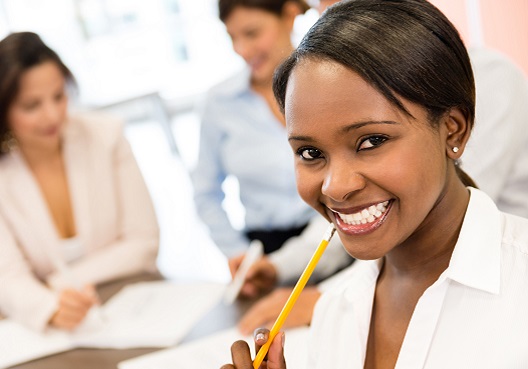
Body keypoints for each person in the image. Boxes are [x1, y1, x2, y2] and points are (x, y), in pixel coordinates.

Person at [221, 0, 528, 368]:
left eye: (371, 142)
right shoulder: (337, 309)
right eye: (310, 152)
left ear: (453, 129)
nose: (335, 187)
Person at [0, 32, 160, 332]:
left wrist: (61, 284)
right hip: (56, 328)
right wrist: (49, 307)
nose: (52, 115)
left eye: (59, 96)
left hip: (136, 303)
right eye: (31, 105)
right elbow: (6, 274)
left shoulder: (106, 136)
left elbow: (144, 242)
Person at [191, 0, 352, 286]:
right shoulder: (220, 104)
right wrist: (238, 254)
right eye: (232, 37)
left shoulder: (335, 86)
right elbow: (205, 194)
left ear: (289, 15)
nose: (241, 49)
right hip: (264, 258)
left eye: (251, 33)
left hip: (341, 238)